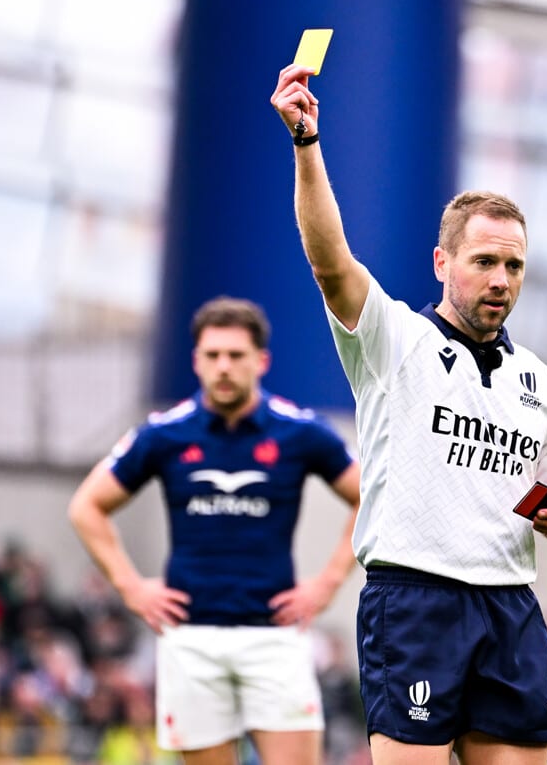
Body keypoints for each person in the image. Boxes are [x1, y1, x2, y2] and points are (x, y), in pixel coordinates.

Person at [270, 63, 547, 765]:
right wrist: (306, 144)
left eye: (514, 266)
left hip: (510, 606)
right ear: (442, 261)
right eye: (484, 261)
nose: (501, 280)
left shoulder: (536, 378)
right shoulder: (395, 340)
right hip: (415, 601)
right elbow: (330, 261)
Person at [67, 296, 361, 765]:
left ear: (261, 361)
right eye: (213, 355)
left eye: (236, 355)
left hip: (273, 635)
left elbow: (369, 496)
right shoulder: (164, 434)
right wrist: (130, 587)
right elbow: (87, 506)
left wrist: (326, 584)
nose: (223, 366)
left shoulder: (300, 432)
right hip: (191, 639)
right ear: (196, 361)